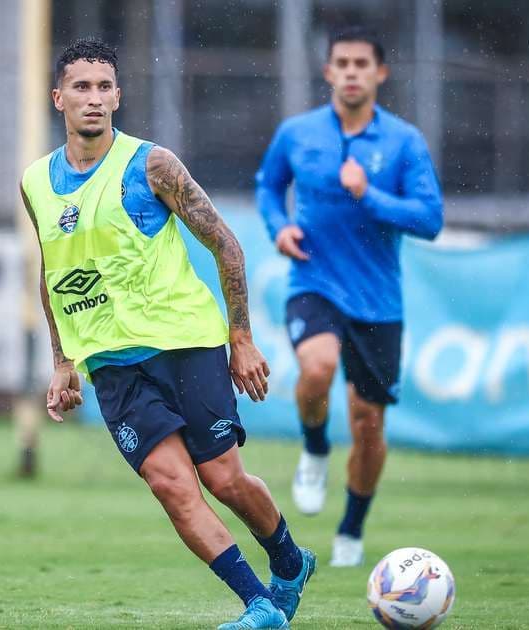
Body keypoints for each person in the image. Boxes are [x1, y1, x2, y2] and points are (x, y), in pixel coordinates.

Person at [21, 38, 316, 629]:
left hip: (185, 345)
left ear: (118, 97)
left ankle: (289, 560)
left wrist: (241, 338)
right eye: (81, 87)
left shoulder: (151, 165)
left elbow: (225, 244)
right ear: (58, 98)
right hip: (111, 363)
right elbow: (54, 273)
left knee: (223, 479)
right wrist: (62, 361)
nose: (94, 98)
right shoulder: (35, 182)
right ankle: (259, 605)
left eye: (105, 87)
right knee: (171, 485)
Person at [255, 26, 444, 567]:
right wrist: (279, 228)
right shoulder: (298, 133)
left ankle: (351, 530)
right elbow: (268, 185)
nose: (352, 72)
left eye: (362, 63)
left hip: (378, 300)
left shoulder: (404, 142)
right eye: (343, 63)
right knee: (315, 369)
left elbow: (430, 219)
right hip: (313, 280)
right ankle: (315, 448)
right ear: (329, 72)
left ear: (380, 73)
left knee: (368, 422)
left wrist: (370, 194)